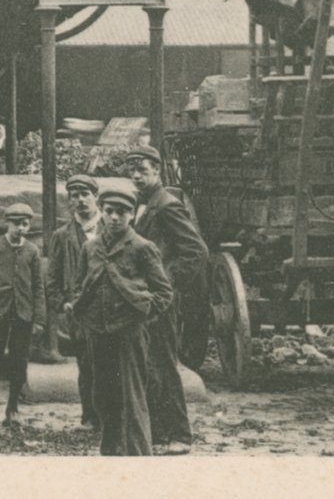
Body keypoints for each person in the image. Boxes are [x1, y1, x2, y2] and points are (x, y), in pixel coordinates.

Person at [69, 187, 174, 456]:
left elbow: (163, 293)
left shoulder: (142, 247)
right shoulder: (90, 247)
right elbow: (80, 286)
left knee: (133, 395)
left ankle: (138, 454)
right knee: (103, 393)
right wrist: (84, 316)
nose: (115, 217)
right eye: (109, 211)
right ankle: (111, 448)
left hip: (129, 331)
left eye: (122, 212)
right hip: (98, 331)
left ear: (131, 214)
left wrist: (142, 319)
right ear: (102, 213)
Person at [128, 145, 208, 456]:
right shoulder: (144, 203)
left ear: (157, 172)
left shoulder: (167, 205)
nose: (136, 176)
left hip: (160, 300)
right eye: (132, 171)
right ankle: (158, 433)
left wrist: (167, 284)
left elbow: (196, 251)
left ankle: (179, 435)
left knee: (165, 365)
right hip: (145, 299)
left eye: (143, 171)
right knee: (150, 365)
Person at [0, 203, 45, 426]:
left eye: (25, 224)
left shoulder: (32, 251)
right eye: (16, 223)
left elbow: (38, 286)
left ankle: (12, 409)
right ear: (7, 223)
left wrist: (39, 318)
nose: (20, 228)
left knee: (18, 361)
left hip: (23, 313)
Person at [46, 174, 103, 430]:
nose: (80, 200)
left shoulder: (113, 227)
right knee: (88, 365)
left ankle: (114, 416)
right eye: (75, 196)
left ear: (95, 197)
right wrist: (62, 304)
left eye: (85, 194)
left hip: (111, 308)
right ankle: (90, 417)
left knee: (114, 365)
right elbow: (53, 277)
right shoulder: (62, 235)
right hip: (80, 311)